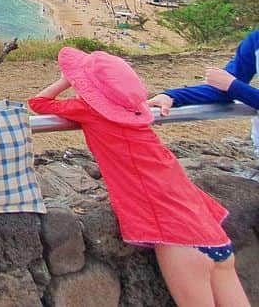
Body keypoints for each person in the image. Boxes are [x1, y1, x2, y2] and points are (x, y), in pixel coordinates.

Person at [29, 48, 248, 307]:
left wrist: (69, 78)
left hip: (180, 242)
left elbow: (39, 103)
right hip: (215, 238)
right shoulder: (137, 114)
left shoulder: (89, 111)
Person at [147, 28, 259, 159]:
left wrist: (234, 86)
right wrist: (172, 96)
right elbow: (222, 89)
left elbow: (230, 85)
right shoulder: (255, 41)